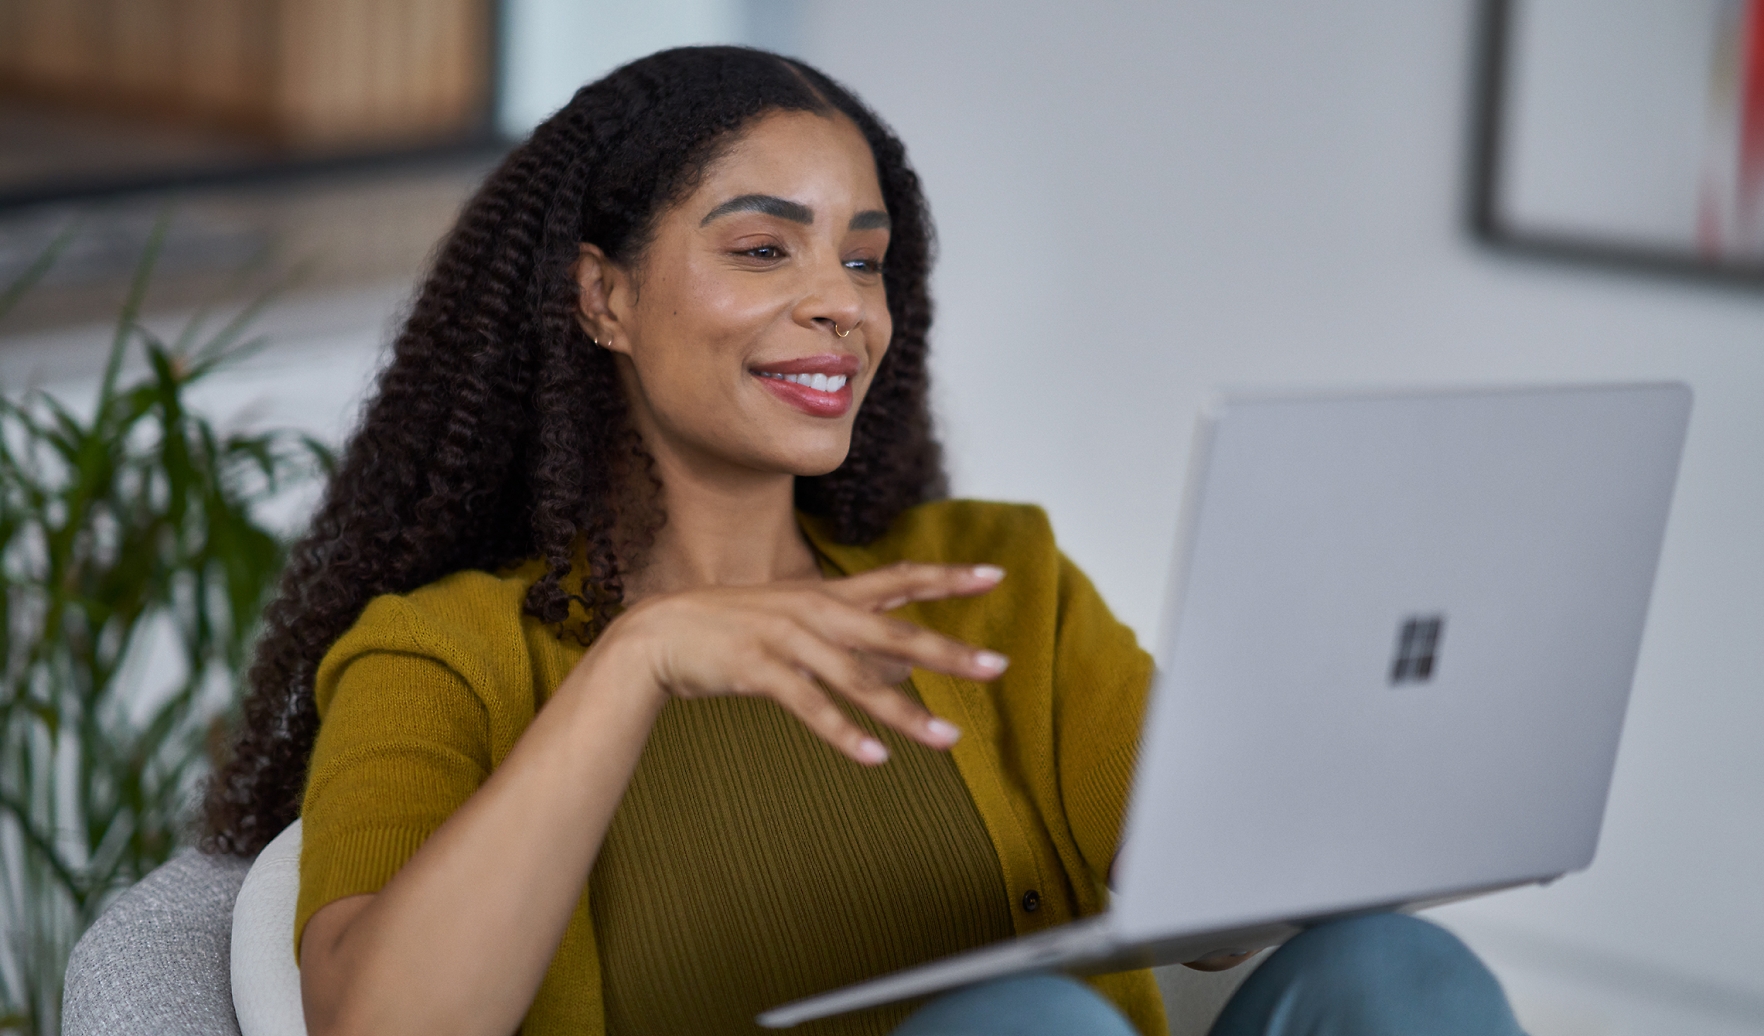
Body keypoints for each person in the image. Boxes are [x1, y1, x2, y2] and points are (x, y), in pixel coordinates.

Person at [203, 46, 1528, 1036]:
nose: (840, 307)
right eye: (766, 250)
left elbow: (1222, 904)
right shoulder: (443, 653)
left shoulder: (990, 587)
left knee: (1392, 971)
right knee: (1033, 1029)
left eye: (863, 259)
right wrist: (639, 661)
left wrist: (1346, 742)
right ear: (602, 295)